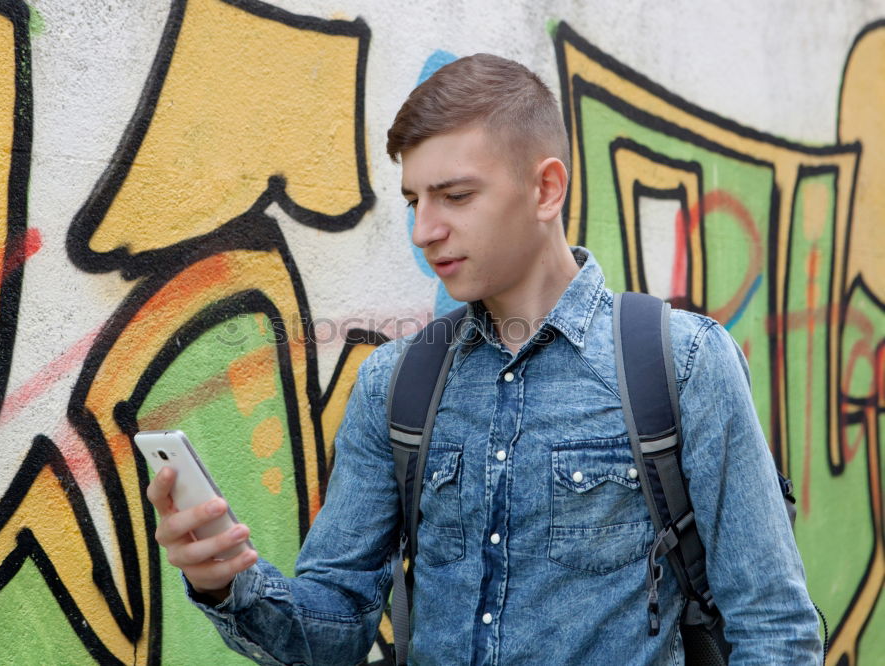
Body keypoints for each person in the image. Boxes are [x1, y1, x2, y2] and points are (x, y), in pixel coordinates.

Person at [146, 54, 821, 664]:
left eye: (456, 196)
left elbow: (775, 629)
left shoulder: (681, 363)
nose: (424, 230)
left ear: (546, 189)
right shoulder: (397, 383)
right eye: (415, 200)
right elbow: (335, 631)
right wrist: (227, 581)